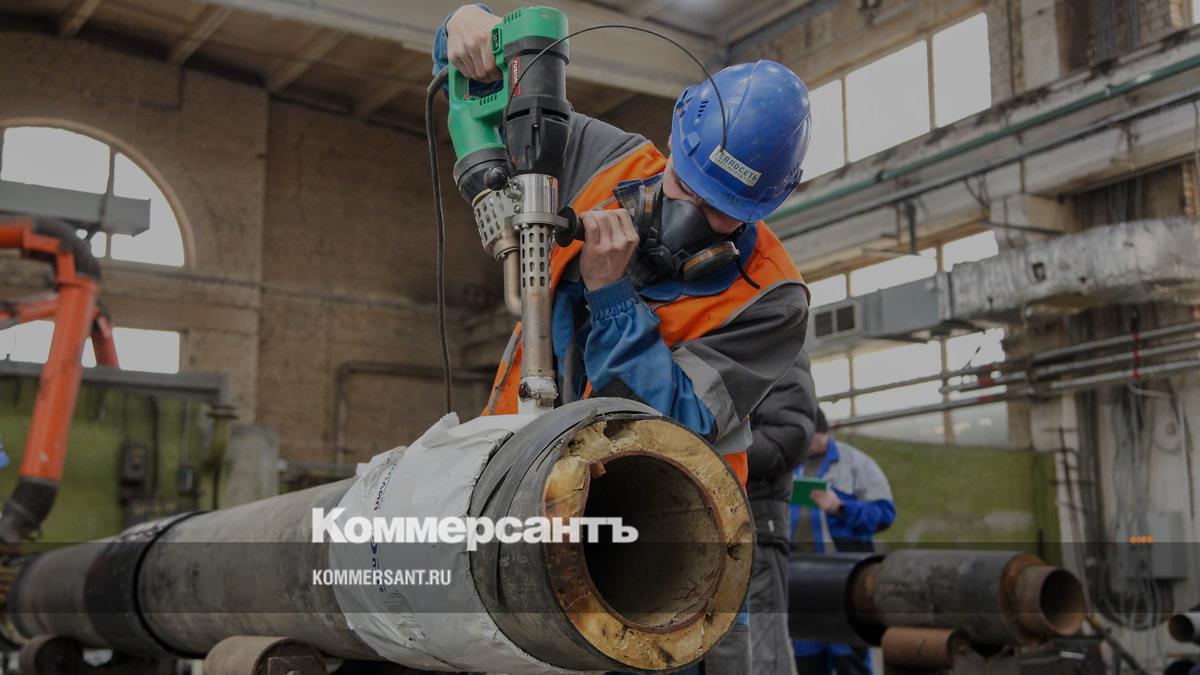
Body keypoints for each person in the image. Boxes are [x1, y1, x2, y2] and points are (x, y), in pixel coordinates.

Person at [436, 5, 813, 673]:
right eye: (684, 186)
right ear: (675, 139)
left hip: (662, 548)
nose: (691, 216)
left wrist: (611, 296)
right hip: (518, 478)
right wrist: (466, 28)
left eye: (720, 212)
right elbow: (482, 85)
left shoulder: (773, 297)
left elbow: (673, 425)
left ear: (767, 204)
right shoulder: (601, 157)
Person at [791, 410, 896, 675]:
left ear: (821, 432)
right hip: (801, 583)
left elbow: (884, 515)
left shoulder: (856, 464)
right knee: (806, 661)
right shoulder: (789, 466)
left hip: (844, 583)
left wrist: (841, 507)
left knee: (849, 659)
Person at [747, 354, 819, 675]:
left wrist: (707, 447)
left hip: (756, 527)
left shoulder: (777, 348)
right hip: (708, 523)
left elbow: (787, 438)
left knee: (764, 650)